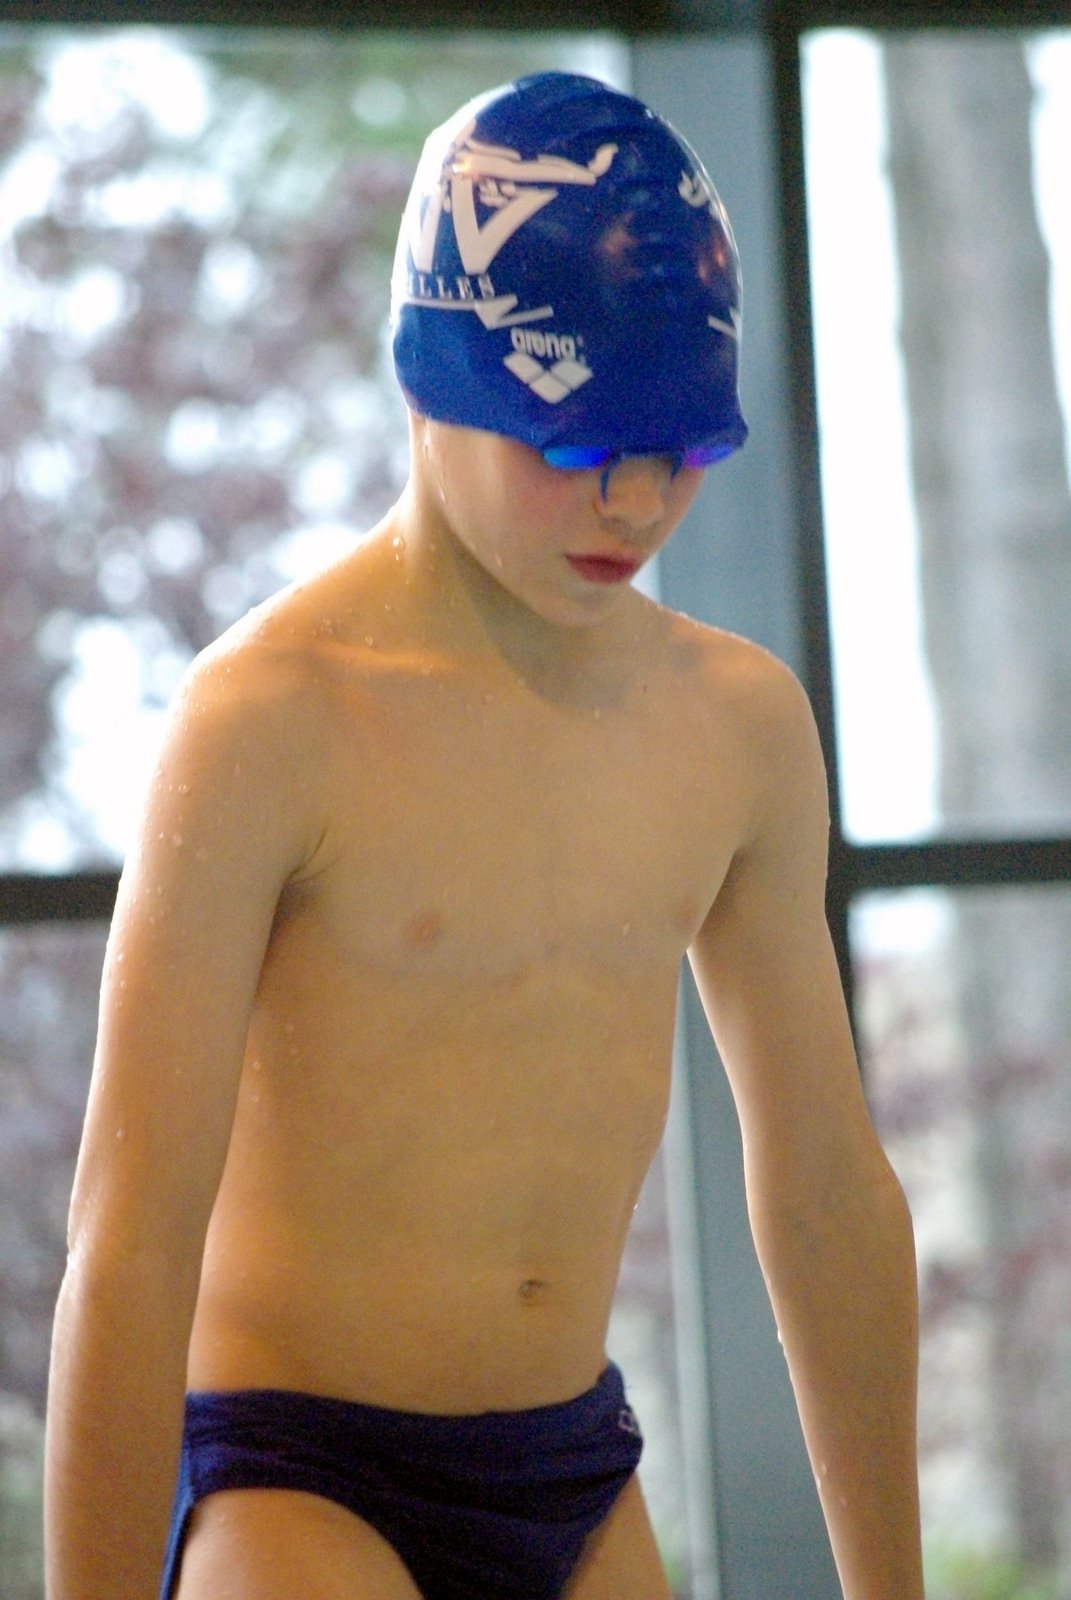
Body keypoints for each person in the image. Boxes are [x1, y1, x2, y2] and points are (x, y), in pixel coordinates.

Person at [44, 70, 924, 1600]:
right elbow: (127, 1243)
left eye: (677, 451)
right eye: (576, 447)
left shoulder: (737, 728)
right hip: (295, 1473)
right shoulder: (271, 720)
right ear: (430, 379)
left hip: (570, 1467)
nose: (634, 501)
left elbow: (826, 1191)